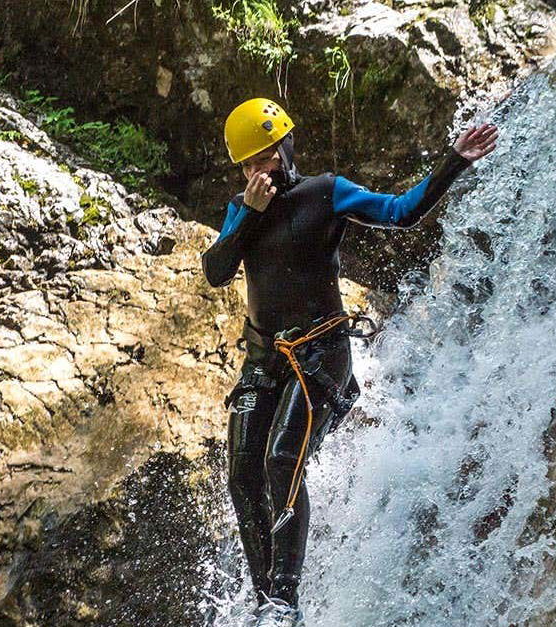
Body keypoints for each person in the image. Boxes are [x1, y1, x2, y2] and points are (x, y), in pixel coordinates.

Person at [202, 98, 498, 627]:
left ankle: (283, 601)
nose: (257, 171)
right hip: (264, 357)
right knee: (243, 475)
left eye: (264, 156)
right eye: (247, 164)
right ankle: (264, 595)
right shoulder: (240, 208)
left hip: (321, 353)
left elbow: (401, 212)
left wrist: (454, 160)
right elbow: (217, 269)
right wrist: (249, 214)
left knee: (280, 461)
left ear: (286, 147)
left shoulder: (326, 192)